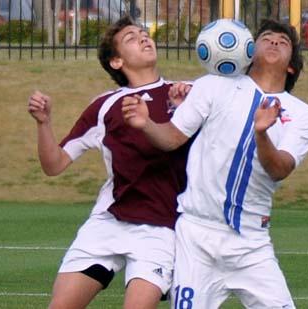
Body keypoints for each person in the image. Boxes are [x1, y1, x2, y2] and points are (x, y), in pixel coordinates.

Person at [122, 19, 308, 308]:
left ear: (292, 66)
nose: (275, 41)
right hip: (197, 235)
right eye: (266, 37)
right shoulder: (212, 86)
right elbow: (171, 139)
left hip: (251, 243)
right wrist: (147, 124)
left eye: (284, 41)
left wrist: (261, 133)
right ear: (249, 51)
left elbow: (280, 169)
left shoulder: (304, 114)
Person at [27, 15, 191, 309]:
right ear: (116, 62)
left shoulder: (187, 93)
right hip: (108, 222)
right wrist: (44, 123)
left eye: (144, 33)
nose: (143, 38)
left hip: (160, 228)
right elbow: (54, 165)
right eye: (131, 38)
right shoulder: (105, 106)